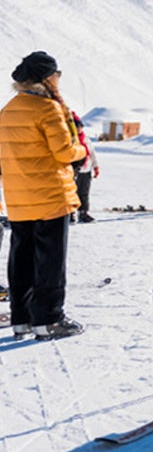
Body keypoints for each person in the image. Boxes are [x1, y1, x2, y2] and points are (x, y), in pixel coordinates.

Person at [0, 51, 87, 340]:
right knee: (50, 261)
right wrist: (82, 150)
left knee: (21, 259)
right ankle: (49, 319)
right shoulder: (48, 109)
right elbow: (64, 151)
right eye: (56, 74)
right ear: (47, 78)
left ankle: (21, 319)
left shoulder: (9, 109)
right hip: (50, 195)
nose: (58, 79)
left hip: (18, 197)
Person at [70, 111, 100, 223]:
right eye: (77, 126)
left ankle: (83, 213)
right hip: (75, 170)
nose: (80, 129)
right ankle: (71, 213)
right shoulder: (71, 139)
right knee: (73, 193)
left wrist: (96, 166)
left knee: (84, 193)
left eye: (81, 126)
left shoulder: (85, 139)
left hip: (87, 169)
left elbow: (92, 153)